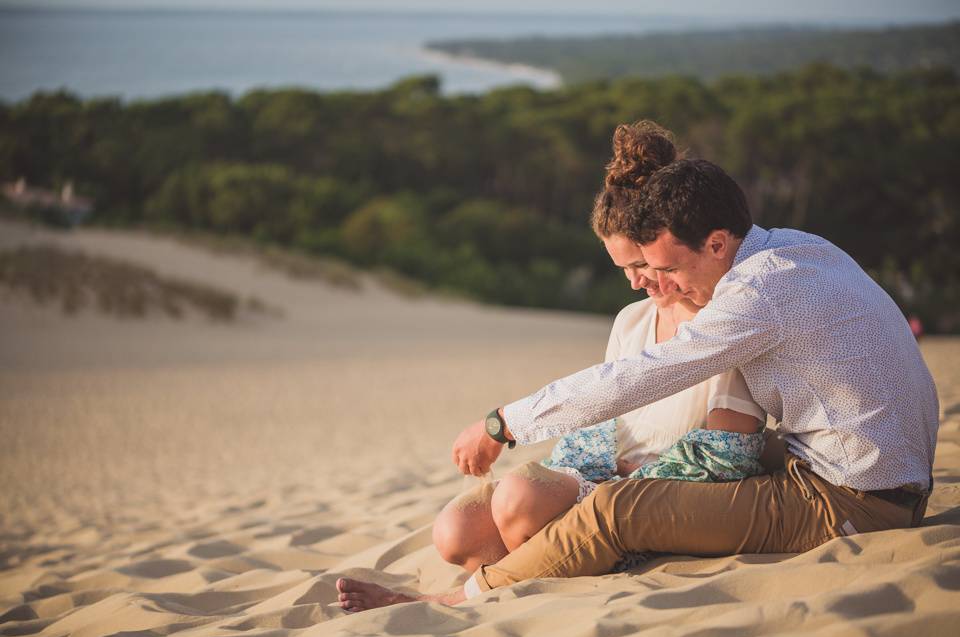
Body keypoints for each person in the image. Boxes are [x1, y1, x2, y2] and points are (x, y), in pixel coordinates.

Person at [336, 121, 939, 611]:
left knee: (615, 512)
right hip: (865, 470)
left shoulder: (753, 297)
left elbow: (637, 378)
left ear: (718, 243)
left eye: (670, 270)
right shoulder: (798, 247)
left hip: (852, 504)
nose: (665, 285)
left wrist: (502, 423)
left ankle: (454, 601)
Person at [424, 122, 766, 577]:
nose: (636, 281)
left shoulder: (731, 322)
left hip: (658, 498)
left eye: (643, 263)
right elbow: (601, 427)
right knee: (455, 532)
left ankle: (517, 592)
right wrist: (577, 475)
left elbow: (728, 457)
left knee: (520, 500)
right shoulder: (631, 321)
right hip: (604, 478)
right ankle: (523, 581)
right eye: (623, 268)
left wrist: (622, 481)